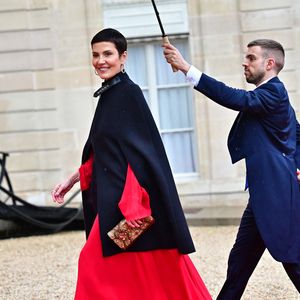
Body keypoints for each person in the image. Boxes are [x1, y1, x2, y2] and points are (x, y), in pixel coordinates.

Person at [51, 28, 212, 300]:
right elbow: (104, 153)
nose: (100, 61)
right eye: (95, 55)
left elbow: (143, 156)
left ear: (123, 57)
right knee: (142, 271)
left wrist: (134, 204)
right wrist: (72, 180)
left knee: (102, 264)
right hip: (115, 200)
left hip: (129, 204)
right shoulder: (110, 95)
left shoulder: (128, 93)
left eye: (107, 54)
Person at [163, 39, 300, 299]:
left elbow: (234, 97)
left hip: (277, 195)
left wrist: (186, 68)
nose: (244, 62)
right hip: (262, 195)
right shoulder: (273, 97)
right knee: (239, 264)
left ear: (269, 63)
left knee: (292, 261)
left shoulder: (273, 93)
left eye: (251, 58)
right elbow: (298, 132)